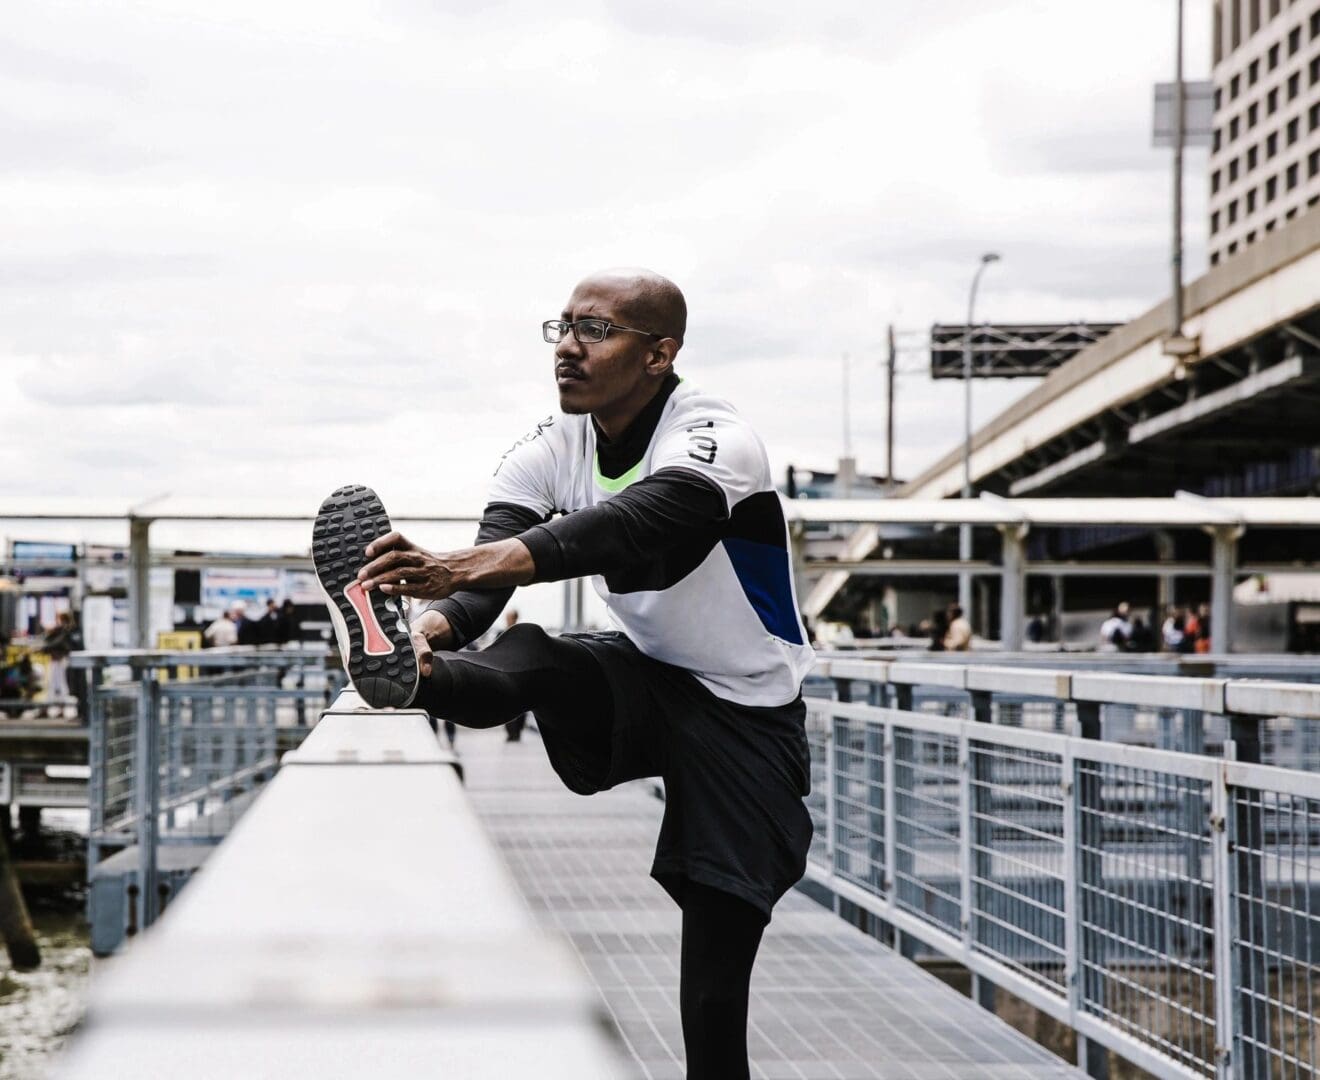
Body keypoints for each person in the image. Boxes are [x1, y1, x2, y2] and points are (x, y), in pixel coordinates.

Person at [312, 268, 814, 1080]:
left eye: (595, 331)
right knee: (540, 655)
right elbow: (484, 590)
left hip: (747, 711)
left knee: (713, 996)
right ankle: (409, 672)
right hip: (648, 675)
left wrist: (464, 561)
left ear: (659, 354)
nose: (568, 350)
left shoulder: (714, 435)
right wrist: (437, 624)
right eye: (562, 328)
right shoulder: (548, 446)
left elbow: (641, 521)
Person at [501, 609, 529, 742]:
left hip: (519, 675)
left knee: (519, 707)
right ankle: (511, 733)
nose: (507, 620)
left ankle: (516, 732)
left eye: (509, 617)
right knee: (506, 705)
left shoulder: (521, 633)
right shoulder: (502, 634)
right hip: (506, 674)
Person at [42, 611, 76, 715]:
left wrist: (45, 648)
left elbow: (55, 643)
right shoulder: (61, 631)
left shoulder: (65, 631)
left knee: (59, 684)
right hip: (57, 659)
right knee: (55, 684)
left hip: (60, 660)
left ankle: (58, 708)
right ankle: (55, 708)